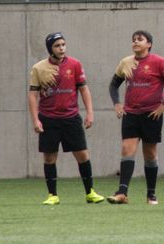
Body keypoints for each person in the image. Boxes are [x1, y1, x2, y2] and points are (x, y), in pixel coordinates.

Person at [28, 32, 105, 206]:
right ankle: (52, 195)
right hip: (48, 119)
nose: (61, 48)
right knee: (49, 158)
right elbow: (32, 95)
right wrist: (35, 120)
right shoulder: (38, 68)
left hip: (71, 118)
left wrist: (90, 113)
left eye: (63, 44)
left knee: (83, 155)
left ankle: (90, 192)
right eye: (57, 45)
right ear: (50, 49)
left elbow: (84, 89)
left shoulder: (75, 64)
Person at [107, 30, 164, 205]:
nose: (135, 42)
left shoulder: (159, 62)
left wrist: (163, 106)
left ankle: (151, 195)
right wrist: (117, 103)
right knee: (127, 149)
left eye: (140, 39)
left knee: (150, 153)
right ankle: (122, 193)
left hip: (151, 115)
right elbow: (113, 85)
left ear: (149, 44)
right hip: (131, 114)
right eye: (133, 39)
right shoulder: (126, 62)